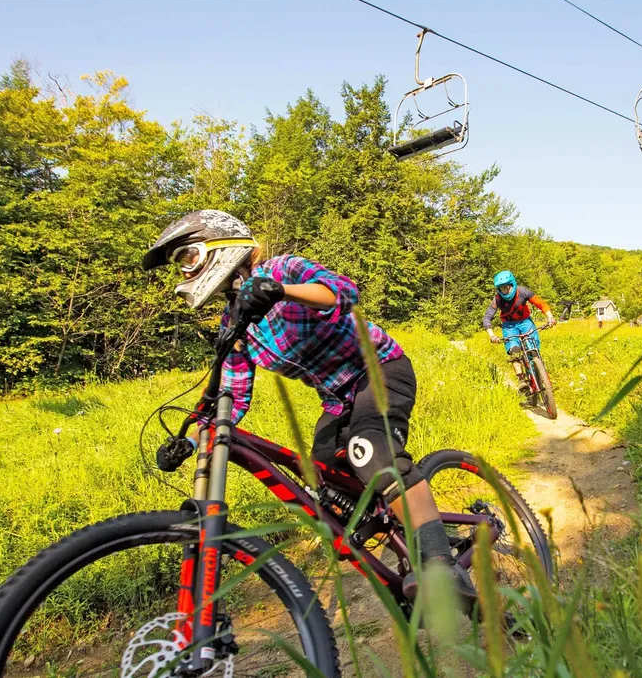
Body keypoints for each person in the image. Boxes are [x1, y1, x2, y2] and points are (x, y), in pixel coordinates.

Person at [141, 210, 475, 603]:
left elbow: (343, 293)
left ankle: (440, 562)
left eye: (187, 258)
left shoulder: (283, 269)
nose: (184, 271)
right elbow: (232, 394)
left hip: (380, 369)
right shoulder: (235, 325)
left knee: (370, 449)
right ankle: (401, 537)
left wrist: (280, 290)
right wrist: (192, 439)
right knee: (323, 485)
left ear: (220, 245)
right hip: (336, 399)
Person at [482, 270, 555, 393]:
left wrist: (550, 317)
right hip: (509, 326)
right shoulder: (498, 299)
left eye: (507, 287)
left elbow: (541, 303)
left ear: (512, 284)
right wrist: (492, 335)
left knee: (534, 349)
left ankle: (543, 377)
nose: (505, 290)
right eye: (502, 288)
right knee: (514, 350)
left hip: (525, 322)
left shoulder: (523, 291)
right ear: (498, 289)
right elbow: (487, 317)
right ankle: (521, 379)